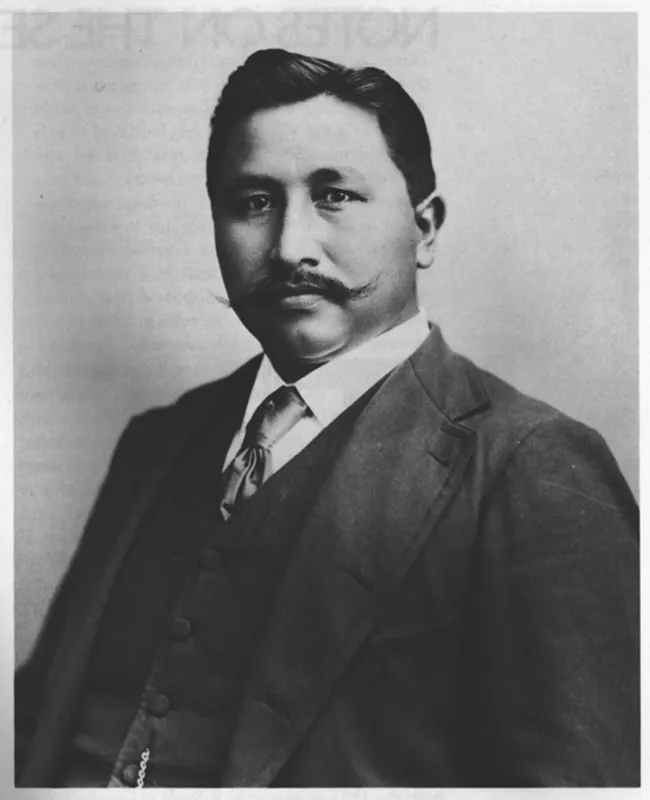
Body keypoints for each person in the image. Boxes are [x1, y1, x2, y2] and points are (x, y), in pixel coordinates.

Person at [15, 48, 639, 788]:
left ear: (427, 227)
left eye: (336, 196)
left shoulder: (531, 465)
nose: (289, 248)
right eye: (254, 202)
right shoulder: (158, 443)